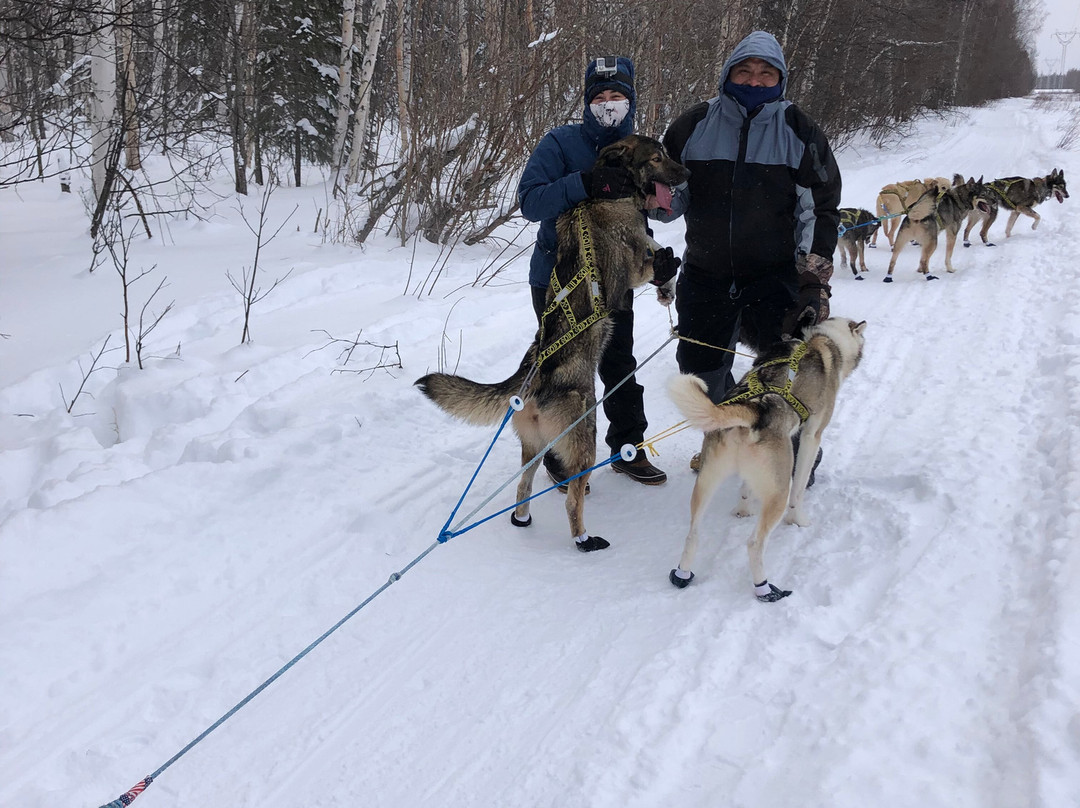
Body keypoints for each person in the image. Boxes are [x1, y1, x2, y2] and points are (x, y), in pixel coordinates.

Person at [654, 30, 841, 481]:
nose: (754, 81)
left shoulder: (800, 131)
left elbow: (818, 208)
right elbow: (668, 198)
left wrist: (812, 280)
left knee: (784, 372)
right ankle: (727, 433)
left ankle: (794, 453)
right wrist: (648, 204)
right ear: (727, 73)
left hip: (774, 277)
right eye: (744, 71)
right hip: (706, 273)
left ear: (779, 78)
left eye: (765, 73)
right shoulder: (692, 126)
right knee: (700, 367)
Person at [518, 56, 674, 488]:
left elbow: (668, 205)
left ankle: (628, 447)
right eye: (600, 97)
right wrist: (585, 184)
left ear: (631, 101)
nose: (609, 104)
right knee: (565, 367)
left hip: (618, 277)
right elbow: (530, 202)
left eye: (617, 96)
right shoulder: (560, 143)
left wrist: (655, 259)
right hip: (557, 278)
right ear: (587, 103)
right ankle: (558, 453)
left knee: (618, 362)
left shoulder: (645, 149)